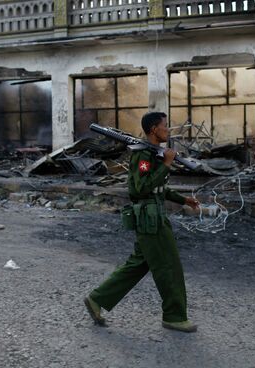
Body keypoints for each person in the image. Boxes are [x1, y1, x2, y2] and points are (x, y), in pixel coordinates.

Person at [84, 112, 200, 333]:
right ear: (154, 129)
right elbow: (140, 188)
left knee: (138, 264)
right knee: (169, 266)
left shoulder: (152, 154)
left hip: (153, 216)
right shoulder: (143, 156)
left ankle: (96, 299)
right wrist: (166, 164)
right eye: (165, 126)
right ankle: (174, 317)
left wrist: (182, 199)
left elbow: (158, 188)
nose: (168, 129)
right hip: (150, 219)